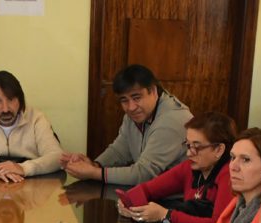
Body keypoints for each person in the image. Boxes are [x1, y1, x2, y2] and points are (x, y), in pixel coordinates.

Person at [61, 64, 192, 186]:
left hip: (177, 201)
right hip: (153, 196)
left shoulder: (172, 119)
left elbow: (144, 174)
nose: (131, 107)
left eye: (136, 97)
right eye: (124, 100)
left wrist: (93, 173)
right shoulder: (137, 114)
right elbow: (120, 151)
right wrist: (95, 164)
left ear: (153, 91)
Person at [115, 111, 236, 223]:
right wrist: (127, 202)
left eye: (197, 147)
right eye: (188, 145)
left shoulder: (230, 176)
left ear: (219, 150)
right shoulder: (190, 166)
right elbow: (149, 188)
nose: (189, 153)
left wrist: (165, 215)